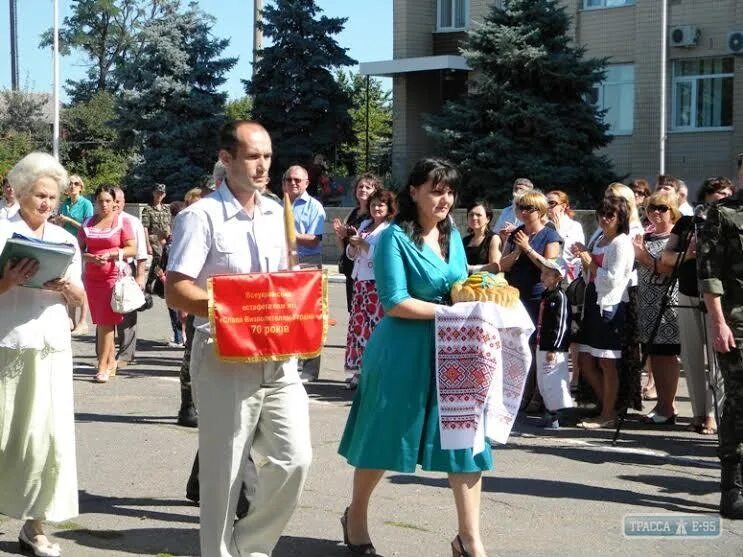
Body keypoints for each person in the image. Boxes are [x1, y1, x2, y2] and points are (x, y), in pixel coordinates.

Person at [166, 120, 312, 557]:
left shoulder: (276, 211)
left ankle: (250, 546)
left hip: (279, 354)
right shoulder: (201, 216)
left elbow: (284, 281)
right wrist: (233, 309)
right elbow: (176, 288)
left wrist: (307, 307)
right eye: (253, 155)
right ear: (226, 159)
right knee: (224, 472)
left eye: (267, 155)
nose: (263, 164)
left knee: (295, 460)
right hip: (224, 354)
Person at [338, 158, 491, 557]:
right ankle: (356, 518)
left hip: (455, 351)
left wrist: (482, 295)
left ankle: (469, 540)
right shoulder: (392, 237)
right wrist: (450, 312)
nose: (445, 199)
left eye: (450, 191)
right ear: (414, 191)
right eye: (436, 190)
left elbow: (457, 283)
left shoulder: (453, 234)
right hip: (402, 350)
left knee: (466, 443)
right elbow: (395, 302)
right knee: (384, 439)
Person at [0, 152, 85, 557]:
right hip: (8, 344)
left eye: (52, 197)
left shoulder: (66, 239)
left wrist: (69, 290)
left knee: (47, 441)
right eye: (39, 195)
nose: (47, 204)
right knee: (5, 435)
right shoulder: (1, 230)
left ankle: (35, 525)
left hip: (51, 346)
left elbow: (82, 298)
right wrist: (7, 282)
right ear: (19, 192)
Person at [662, 177, 733, 435]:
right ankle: (699, 413)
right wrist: (691, 253)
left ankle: (714, 414)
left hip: (716, 297)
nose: (722, 195)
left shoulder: (731, 219)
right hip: (688, 292)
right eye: (716, 192)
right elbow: (667, 256)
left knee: (717, 360)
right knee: (691, 358)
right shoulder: (687, 221)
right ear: (705, 195)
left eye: (726, 192)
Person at [698, 186, 743, 520]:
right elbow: (709, 273)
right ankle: (733, 487)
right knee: (740, 402)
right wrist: (718, 323)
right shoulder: (724, 213)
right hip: (736, 322)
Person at [571, 196, 635, 429]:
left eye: (610, 215)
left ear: (621, 219)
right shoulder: (598, 238)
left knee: (608, 363)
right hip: (592, 303)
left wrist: (591, 262)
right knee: (585, 361)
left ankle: (608, 413)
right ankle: (609, 406)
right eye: (602, 214)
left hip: (610, 306)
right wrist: (584, 258)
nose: (604, 219)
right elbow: (590, 273)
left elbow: (613, 280)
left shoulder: (621, 243)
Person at [499, 189, 562, 412]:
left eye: (528, 208)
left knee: (535, 346)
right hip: (515, 296)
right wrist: (516, 251)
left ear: (540, 210)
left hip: (538, 297)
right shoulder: (517, 232)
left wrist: (527, 248)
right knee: (515, 345)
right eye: (520, 208)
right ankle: (517, 391)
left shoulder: (550, 235)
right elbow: (503, 264)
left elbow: (551, 268)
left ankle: (537, 393)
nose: (523, 212)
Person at [78, 184, 136, 382]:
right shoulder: (87, 223)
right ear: (95, 202)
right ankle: (110, 361)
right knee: (102, 323)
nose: (104, 204)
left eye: (108, 201)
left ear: (114, 203)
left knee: (106, 322)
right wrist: (90, 258)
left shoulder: (121, 223)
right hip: (92, 279)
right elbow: (79, 251)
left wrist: (112, 254)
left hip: (112, 279)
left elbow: (132, 249)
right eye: (100, 200)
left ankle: (102, 366)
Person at [632, 191, 681, 425]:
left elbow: (668, 269)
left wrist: (641, 256)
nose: (656, 212)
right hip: (646, 305)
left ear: (672, 211)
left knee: (666, 356)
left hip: (667, 306)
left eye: (662, 208)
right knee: (655, 355)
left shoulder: (676, 237)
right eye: (651, 208)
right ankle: (662, 406)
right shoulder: (647, 236)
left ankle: (667, 408)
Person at [344, 188, 395, 390]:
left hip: (376, 284)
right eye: (373, 204)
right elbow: (351, 255)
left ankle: (376, 372)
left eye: (381, 205)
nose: (376, 208)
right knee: (358, 328)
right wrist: (353, 245)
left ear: (389, 208)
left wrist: (364, 245)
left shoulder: (390, 230)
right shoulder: (365, 224)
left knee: (374, 329)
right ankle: (358, 371)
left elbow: (384, 257)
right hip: (360, 282)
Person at [282, 164, 326, 382]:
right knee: (285, 315)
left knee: (309, 316)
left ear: (307, 183)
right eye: (289, 179)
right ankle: (288, 363)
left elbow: (315, 239)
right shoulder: (276, 205)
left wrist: (290, 233)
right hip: (283, 262)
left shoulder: (314, 206)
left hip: (307, 262)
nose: (293, 183)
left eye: (298, 180)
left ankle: (310, 369)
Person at [333, 173, 380, 311]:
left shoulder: (376, 215)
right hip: (350, 268)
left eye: (368, 187)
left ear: (375, 191)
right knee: (353, 311)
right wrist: (340, 235)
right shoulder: (353, 212)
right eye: (360, 187)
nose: (363, 189)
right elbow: (344, 246)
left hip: (367, 271)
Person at [112, 186, 148, 366]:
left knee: (126, 313)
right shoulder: (98, 221)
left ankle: (126, 354)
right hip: (105, 274)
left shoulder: (132, 222)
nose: (115, 205)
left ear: (123, 202)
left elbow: (141, 252)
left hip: (127, 272)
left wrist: (140, 277)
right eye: (112, 201)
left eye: (118, 201)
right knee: (105, 314)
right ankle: (105, 353)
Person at [54, 175, 95, 334]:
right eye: (70, 183)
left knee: (81, 284)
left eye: (76, 183)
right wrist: (58, 221)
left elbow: (88, 228)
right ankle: (70, 319)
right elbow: (60, 223)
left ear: (81, 187)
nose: (72, 186)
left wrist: (69, 221)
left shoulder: (86, 204)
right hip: (66, 246)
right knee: (68, 281)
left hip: (81, 247)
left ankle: (82, 321)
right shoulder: (64, 204)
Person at [536, 257, 572, 430]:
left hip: (553, 348)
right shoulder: (546, 295)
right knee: (543, 380)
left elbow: (561, 324)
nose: (543, 276)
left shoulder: (560, 297)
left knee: (554, 381)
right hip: (541, 344)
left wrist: (554, 347)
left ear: (558, 277)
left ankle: (556, 415)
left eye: (548, 274)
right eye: (543, 272)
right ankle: (549, 412)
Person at [546, 190, 584, 281]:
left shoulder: (574, 226)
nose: (547, 206)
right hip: (546, 273)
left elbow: (576, 252)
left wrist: (558, 231)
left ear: (563, 206)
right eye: (545, 203)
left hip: (566, 275)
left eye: (552, 203)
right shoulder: (543, 225)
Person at [141, 183, 171, 294]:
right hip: (153, 239)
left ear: (164, 195)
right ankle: (152, 283)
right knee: (158, 259)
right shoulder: (148, 209)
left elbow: (168, 225)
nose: (159, 195)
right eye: (157, 192)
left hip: (165, 239)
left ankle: (156, 284)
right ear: (153, 193)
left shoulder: (166, 209)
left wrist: (170, 238)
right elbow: (145, 227)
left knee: (163, 261)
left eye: (161, 193)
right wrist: (147, 244)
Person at [462, 200, 501, 273]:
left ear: (488, 219)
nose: (474, 218)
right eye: (471, 214)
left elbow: (495, 267)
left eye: (478, 215)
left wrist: (470, 268)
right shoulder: (465, 240)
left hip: (484, 282)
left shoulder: (493, 239)